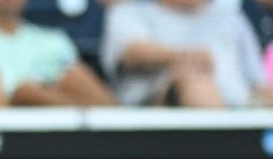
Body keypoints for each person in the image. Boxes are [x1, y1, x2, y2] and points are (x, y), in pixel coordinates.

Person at [0, 0, 115, 107]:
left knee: (75, 77)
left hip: (67, 125)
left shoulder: (53, 40)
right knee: (25, 91)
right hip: (7, 127)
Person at [100, 0, 271, 108]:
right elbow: (133, 52)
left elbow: (258, 83)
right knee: (196, 81)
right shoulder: (131, 11)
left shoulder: (231, 15)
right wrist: (184, 57)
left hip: (242, 109)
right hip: (162, 113)